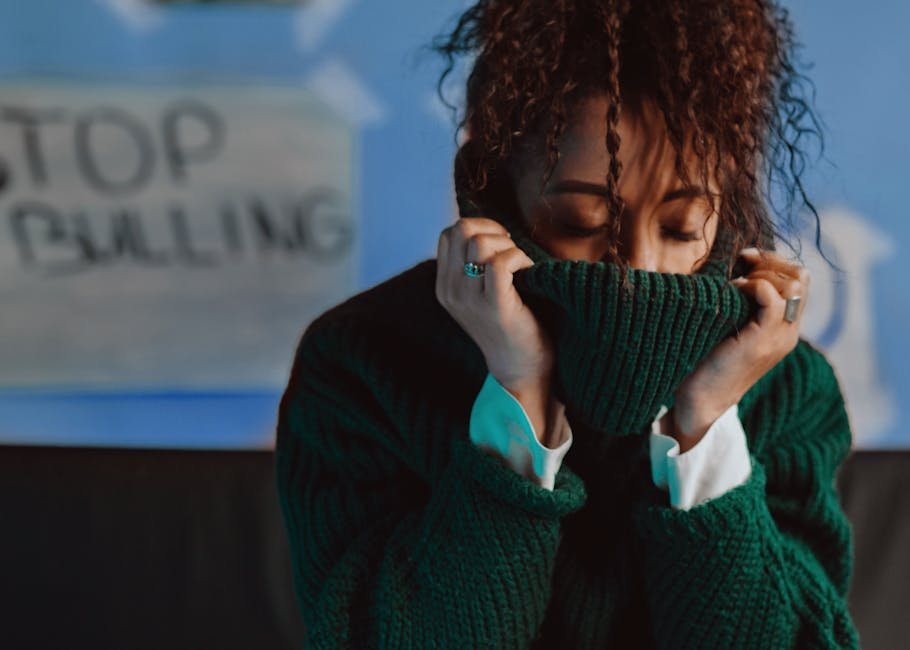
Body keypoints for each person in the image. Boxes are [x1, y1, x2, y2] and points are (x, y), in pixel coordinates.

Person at [275, 1, 860, 647]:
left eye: (681, 227)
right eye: (582, 225)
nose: (639, 270)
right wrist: (518, 394)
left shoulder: (788, 386)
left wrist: (706, 425)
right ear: (492, 195)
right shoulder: (362, 362)